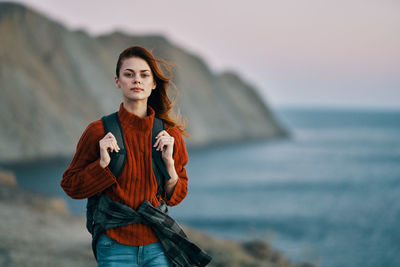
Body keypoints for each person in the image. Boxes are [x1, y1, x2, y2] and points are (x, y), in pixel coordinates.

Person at [61, 45, 191, 266]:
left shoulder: (170, 136)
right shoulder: (98, 131)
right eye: (128, 74)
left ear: (153, 83)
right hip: (113, 247)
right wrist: (101, 165)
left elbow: (175, 197)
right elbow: (71, 186)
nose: (136, 80)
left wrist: (169, 167)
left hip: (158, 246)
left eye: (144, 75)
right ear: (117, 81)